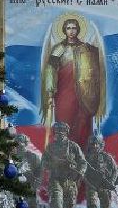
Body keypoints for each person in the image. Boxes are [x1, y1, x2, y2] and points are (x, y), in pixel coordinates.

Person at [40, 15, 106, 150]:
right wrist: (51, 92)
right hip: (64, 95)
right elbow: (50, 71)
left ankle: (83, 154)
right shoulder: (58, 49)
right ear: (64, 30)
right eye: (68, 28)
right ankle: (63, 154)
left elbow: (94, 74)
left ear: (78, 30)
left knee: (83, 125)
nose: (71, 31)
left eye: (74, 28)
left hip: (83, 95)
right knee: (64, 123)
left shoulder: (87, 49)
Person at [41, 122, 88, 208]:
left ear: (66, 133)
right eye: (57, 132)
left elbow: (83, 162)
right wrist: (55, 164)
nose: (60, 134)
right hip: (56, 180)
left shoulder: (73, 147)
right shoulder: (51, 148)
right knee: (57, 206)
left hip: (70, 181)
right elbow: (44, 163)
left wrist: (80, 172)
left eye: (62, 131)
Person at [84, 134, 118, 208]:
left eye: (97, 144)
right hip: (92, 187)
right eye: (93, 144)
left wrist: (111, 182)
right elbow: (83, 174)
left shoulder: (107, 157)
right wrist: (90, 185)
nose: (95, 146)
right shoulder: (86, 158)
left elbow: (115, 171)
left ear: (100, 145)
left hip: (105, 187)